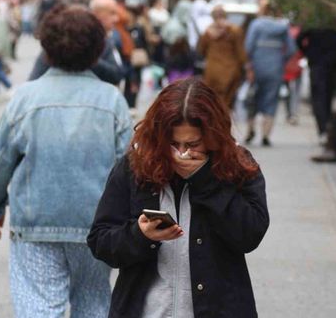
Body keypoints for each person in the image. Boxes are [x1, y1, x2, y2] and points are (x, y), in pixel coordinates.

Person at [0, 5, 132, 318]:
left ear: (46, 49)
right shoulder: (112, 101)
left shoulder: (24, 98)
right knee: (93, 304)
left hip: (36, 223)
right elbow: (128, 168)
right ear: (97, 51)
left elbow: (2, 163)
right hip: (96, 224)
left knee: (38, 306)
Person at [88, 78, 269, 318]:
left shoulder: (236, 166)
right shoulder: (136, 166)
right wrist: (140, 236)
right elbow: (101, 240)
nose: (182, 153)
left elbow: (250, 234)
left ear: (213, 137)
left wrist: (205, 181)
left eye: (193, 144)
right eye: (173, 143)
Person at [28, 0, 126, 85]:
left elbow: (117, 74)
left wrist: (88, 59)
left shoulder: (110, 40)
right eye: (111, 13)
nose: (116, 19)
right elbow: (35, 79)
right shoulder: (56, 48)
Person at [244, 0, 296, 146]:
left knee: (252, 98)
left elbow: (248, 47)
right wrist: (281, 60)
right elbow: (292, 49)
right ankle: (266, 135)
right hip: (275, 68)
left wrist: (249, 65)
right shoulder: (282, 27)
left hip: (257, 67)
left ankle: (250, 130)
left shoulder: (256, 25)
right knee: (271, 100)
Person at [296, 27, 336, 143]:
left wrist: (308, 52)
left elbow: (300, 38)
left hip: (322, 65)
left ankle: (325, 130)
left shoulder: (315, 21)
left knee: (321, 100)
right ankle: (327, 130)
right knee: (331, 99)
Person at [198, 5, 247, 108]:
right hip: (230, 70)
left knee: (212, 102)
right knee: (226, 102)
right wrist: (246, 66)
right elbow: (240, 52)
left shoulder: (207, 32)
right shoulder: (234, 30)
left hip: (212, 70)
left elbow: (201, 50)